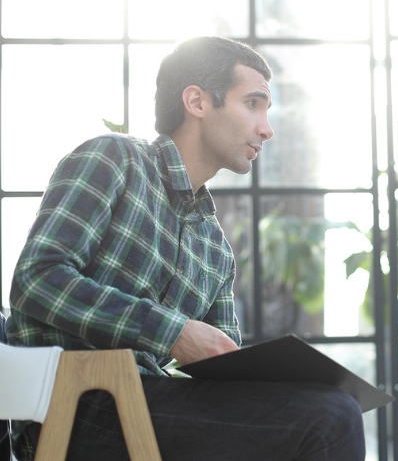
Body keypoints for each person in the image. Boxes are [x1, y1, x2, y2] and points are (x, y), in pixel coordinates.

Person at [6, 36, 365, 461]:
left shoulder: (216, 248)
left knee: (325, 407)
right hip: (77, 410)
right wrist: (173, 331)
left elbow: (225, 370)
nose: (267, 128)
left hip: (154, 406)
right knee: (329, 418)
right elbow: (37, 279)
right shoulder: (113, 159)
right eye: (253, 103)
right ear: (196, 101)